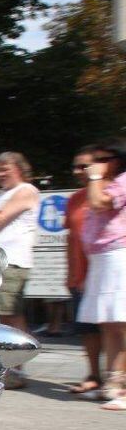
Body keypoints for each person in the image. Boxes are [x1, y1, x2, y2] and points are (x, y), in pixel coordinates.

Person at [0, 151, 41, 389]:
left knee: (11, 314)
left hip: (12, 261)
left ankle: (17, 369)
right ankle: (2, 366)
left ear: (20, 169)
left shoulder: (26, 190)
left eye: (5, 168)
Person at [79, 138, 126, 411]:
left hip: (118, 254)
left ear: (117, 160)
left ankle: (121, 385)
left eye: (101, 159)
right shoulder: (104, 183)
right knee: (108, 322)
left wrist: (95, 177)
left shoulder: (121, 182)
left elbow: (99, 205)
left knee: (121, 322)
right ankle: (111, 383)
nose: (93, 165)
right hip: (101, 258)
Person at [65, 146, 103, 397]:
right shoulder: (75, 199)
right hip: (82, 272)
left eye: (84, 166)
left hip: (108, 270)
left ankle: (117, 378)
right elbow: (70, 238)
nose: (78, 171)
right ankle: (94, 375)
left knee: (116, 327)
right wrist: (71, 272)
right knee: (88, 328)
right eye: (75, 166)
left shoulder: (111, 193)